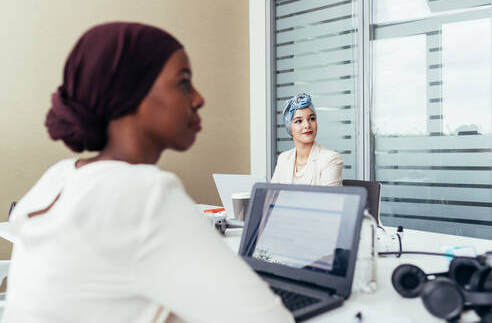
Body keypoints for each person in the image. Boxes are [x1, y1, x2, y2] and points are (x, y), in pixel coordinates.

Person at [3, 22, 293, 323]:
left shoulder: (58, 178)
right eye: (183, 82)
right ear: (130, 94)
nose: (199, 98)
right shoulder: (143, 192)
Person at [271, 93, 343, 186]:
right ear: (289, 127)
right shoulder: (284, 159)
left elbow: (329, 199)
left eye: (312, 119)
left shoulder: (330, 159)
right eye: (299, 121)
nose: (307, 125)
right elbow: (270, 196)